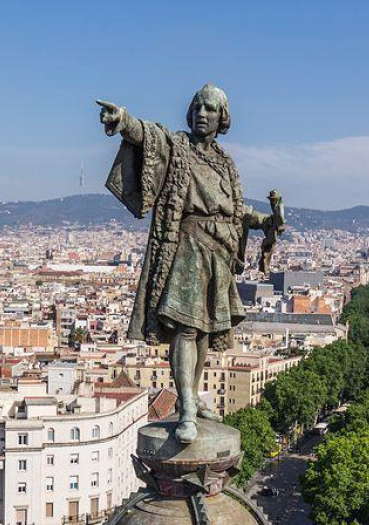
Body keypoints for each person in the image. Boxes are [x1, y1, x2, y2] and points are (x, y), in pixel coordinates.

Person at [98, 84, 279, 443]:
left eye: (210, 109)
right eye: (197, 107)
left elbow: (231, 208)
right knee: (186, 328)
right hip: (188, 246)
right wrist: (124, 121)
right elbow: (150, 136)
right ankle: (188, 408)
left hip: (218, 251)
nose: (201, 113)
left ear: (222, 118)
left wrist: (262, 220)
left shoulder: (225, 163)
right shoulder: (178, 147)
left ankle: (191, 398)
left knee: (205, 333)